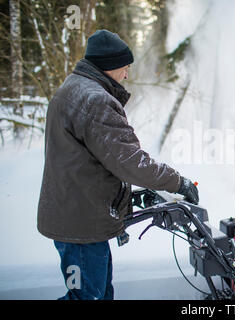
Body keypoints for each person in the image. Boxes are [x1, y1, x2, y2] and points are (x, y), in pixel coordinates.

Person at [37, 29, 199, 300]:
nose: (126, 75)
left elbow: (91, 163)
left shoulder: (74, 88)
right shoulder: (95, 101)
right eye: (125, 67)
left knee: (99, 293)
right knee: (87, 297)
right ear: (110, 66)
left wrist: (129, 197)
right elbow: (130, 162)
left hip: (78, 216)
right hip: (80, 227)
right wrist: (177, 181)